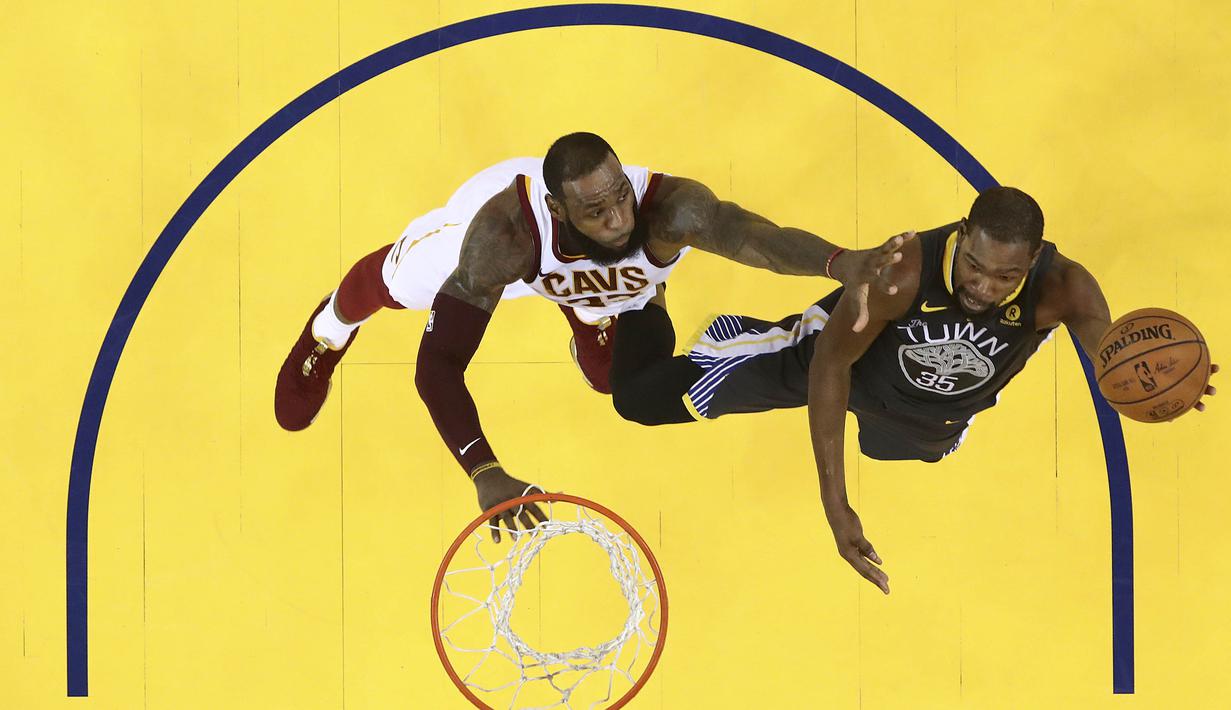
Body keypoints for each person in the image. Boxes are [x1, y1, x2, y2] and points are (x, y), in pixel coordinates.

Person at [274, 132, 907, 540]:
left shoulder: (667, 211)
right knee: (393, 285)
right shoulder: (501, 234)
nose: (617, 221)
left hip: (601, 286)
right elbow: (437, 364)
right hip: (499, 249)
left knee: (615, 384)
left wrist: (839, 261)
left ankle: (586, 311)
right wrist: (484, 469)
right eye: (596, 212)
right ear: (559, 210)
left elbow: (754, 238)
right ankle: (326, 332)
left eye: (621, 201)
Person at [612, 186, 1217, 592]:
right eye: (974, 266)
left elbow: (1115, 361)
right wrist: (836, 504)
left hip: (933, 419)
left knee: (903, 453)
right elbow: (830, 371)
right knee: (641, 401)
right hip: (834, 362)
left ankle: (913, 421)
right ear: (962, 235)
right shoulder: (899, 272)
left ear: (1032, 261)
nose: (982, 285)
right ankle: (650, 284)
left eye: (1006, 274)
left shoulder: (1067, 289)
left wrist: (1162, 382)